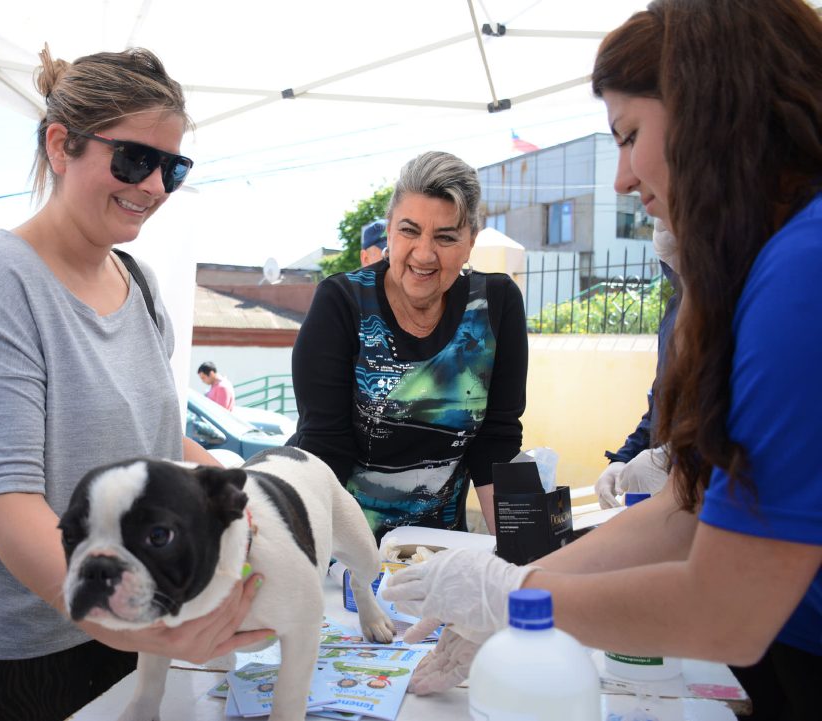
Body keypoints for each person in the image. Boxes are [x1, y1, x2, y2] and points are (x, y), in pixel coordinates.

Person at [381, 3, 822, 718]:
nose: (621, 178)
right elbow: (693, 504)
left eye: (630, 136)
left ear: (711, 110)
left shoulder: (803, 269)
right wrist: (515, 577)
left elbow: (727, 607)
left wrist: (512, 597)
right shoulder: (787, 257)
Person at [0, 47, 269, 720]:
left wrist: (247, 497)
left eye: (174, 166)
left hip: (123, 619)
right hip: (13, 660)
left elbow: (156, 439)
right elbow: (10, 502)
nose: (157, 186)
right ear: (60, 145)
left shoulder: (139, 285)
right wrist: (134, 620)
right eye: (136, 159)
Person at [290, 151, 528, 541]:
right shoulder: (342, 303)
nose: (424, 254)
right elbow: (324, 449)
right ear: (389, 231)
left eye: (446, 237)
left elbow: (496, 445)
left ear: (471, 241)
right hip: (344, 554)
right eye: (409, 230)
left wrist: (524, 559)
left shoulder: (496, 304)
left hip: (442, 551)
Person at [594, 240, 679, 509]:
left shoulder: (740, 307)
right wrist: (622, 458)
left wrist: (673, 458)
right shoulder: (675, 311)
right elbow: (660, 404)